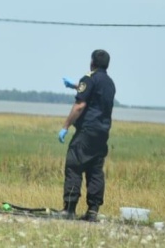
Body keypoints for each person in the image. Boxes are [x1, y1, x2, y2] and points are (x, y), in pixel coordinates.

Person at [56, 49, 116, 222]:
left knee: (74, 165)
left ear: (92, 62)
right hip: (102, 133)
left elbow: (80, 105)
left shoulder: (89, 78)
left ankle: (69, 209)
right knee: (95, 170)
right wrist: (76, 86)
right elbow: (96, 94)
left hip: (87, 131)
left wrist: (66, 126)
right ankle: (93, 211)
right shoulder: (110, 83)